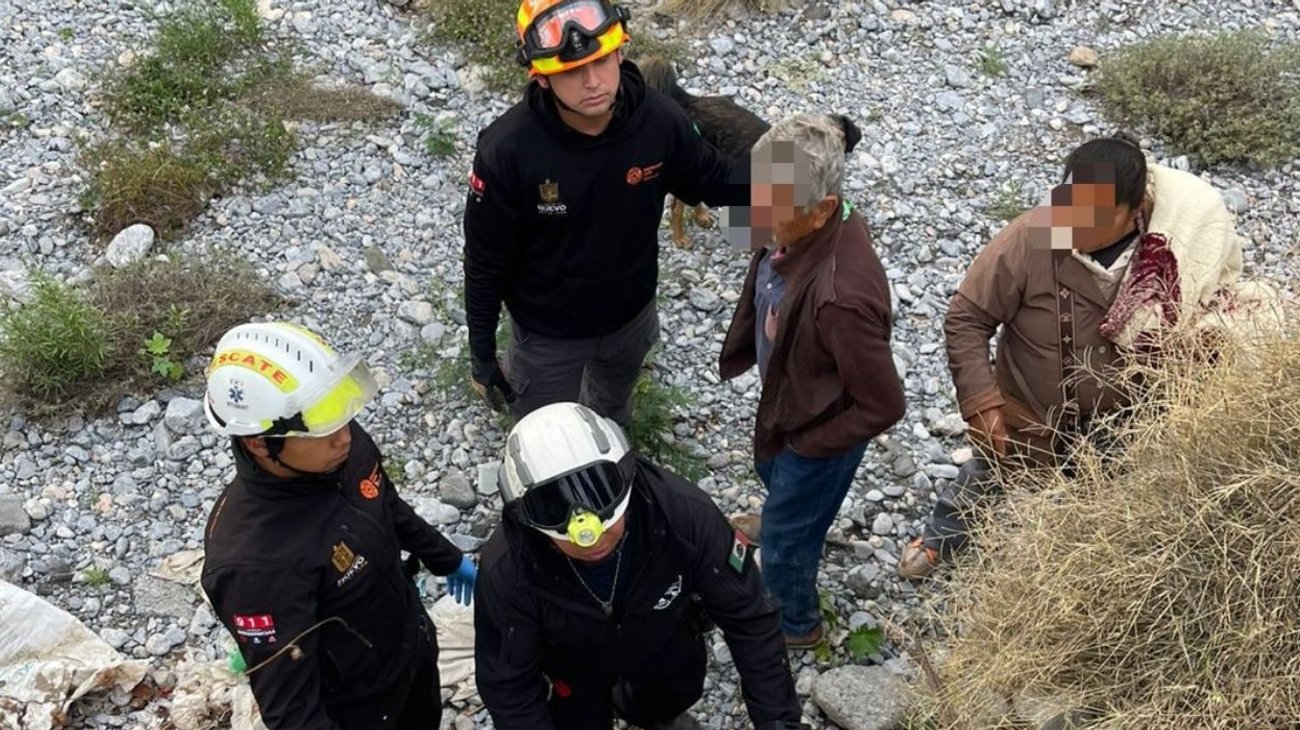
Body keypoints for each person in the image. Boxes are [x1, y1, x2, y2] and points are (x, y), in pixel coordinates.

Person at [899, 133, 1276, 579]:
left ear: (1134, 209)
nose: (1074, 221)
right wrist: (981, 401)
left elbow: (1212, 310)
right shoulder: (1029, 238)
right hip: (1032, 409)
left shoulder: (1172, 254)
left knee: (1111, 508)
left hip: (1122, 421)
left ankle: (1086, 572)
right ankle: (944, 538)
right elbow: (967, 318)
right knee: (990, 473)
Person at [462, 0, 754, 427]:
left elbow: (715, 180)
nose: (593, 82)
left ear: (621, 51)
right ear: (541, 78)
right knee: (547, 435)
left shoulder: (660, 121)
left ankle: (608, 463)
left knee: (613, 410)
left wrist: (798, 169)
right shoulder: (507, 151)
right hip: (548, 336)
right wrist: (482, 355)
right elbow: (486, 262)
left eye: (601, 61)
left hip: (630, 319)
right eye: (571, 71)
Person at [199, 321, 478, 730]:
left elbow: (386, 504)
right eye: (322, 422)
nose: (344, 435)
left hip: (410, 649)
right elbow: (292, 708)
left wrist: (446, 559)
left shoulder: (337, 448)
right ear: (259, 442)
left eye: (338, 410)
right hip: (360, 708)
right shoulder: (255, 565)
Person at [474, 402, 806, 730]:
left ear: (626, 474)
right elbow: (509, 686)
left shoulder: (685, 515)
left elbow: (750, 618)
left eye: (599, 494)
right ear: (523, 515)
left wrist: (779, 721)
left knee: (666, 702)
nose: (589, 535)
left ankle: (656, 716)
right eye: (551, 509)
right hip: (572, 673)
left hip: (664, 648)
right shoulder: (506, 570)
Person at [718, 114, 906, 648]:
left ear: (823, 209)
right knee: (777, 487)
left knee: (786, 544)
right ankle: (784, 513)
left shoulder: (842, 298)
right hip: (792, 407)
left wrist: (806, 444)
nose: (756, 215)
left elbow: (884, 404)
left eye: (771, 208)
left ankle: (797, 626)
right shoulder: (809, 222)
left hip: (817, 435)